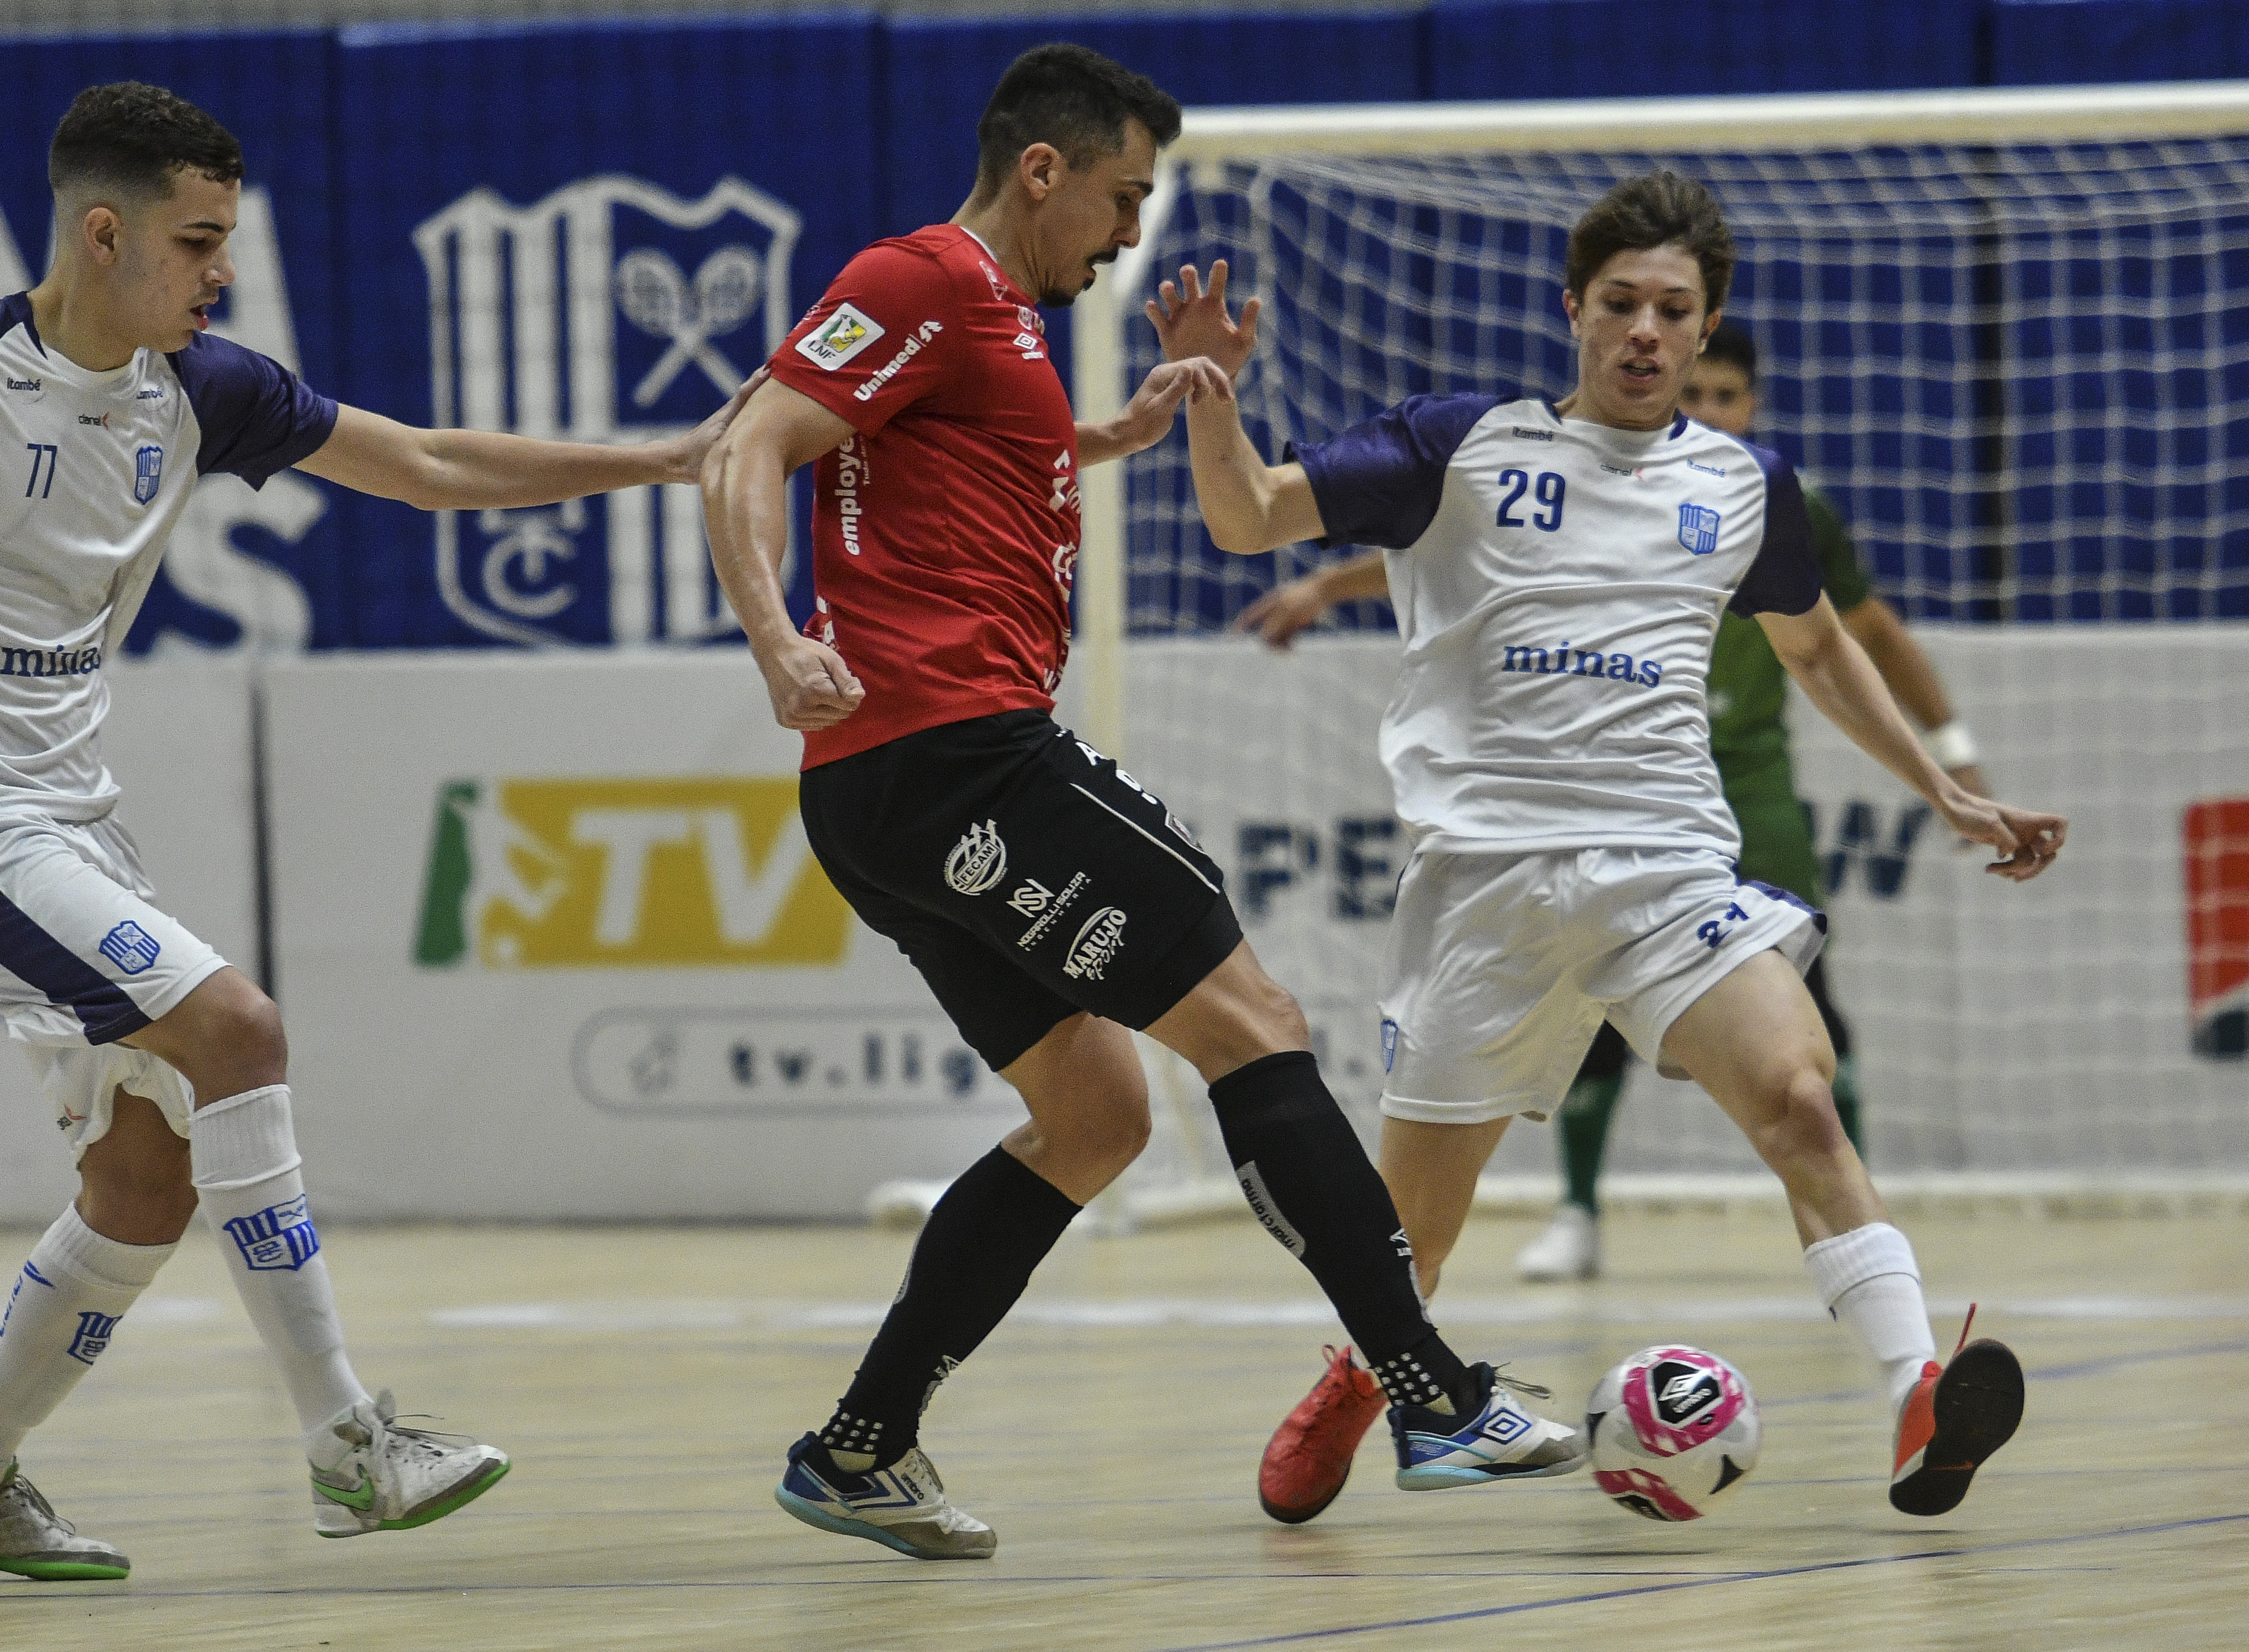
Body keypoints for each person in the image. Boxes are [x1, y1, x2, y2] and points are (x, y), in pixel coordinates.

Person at [0, 83, 755, 1581]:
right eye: (197, 240)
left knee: (149, 1180)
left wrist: (665, 459)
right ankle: (351, 1439)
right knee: (238, 1027)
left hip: (77, 835)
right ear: (103, 235)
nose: (220, 270)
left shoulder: (202, 388)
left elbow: (423, 467)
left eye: (226, 241)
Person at [702, 43, 1584, 1563]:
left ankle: (860, 1443)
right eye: (1120, 197)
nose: (1127, 237)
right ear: (1039, 168)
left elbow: (961, 465)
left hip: (885, 796)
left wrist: (1120, 430)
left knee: (1096, 1115)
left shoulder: (998, 329)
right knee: (1254, 1021)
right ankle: (1431, 1387)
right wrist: (777, 639)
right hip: (957, 752)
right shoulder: (916, 275)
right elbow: (747, 443)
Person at [1150, 170, 2064, 1526]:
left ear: (1706, 334)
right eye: (1622, 303)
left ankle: (1914, 1390)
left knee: (1801, 1100)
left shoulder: (1746, 487)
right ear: (1573, 309)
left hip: (1665, 871)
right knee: (1415, 1243)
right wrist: (1212, 406)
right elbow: (1249, 518)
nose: (1645, 330)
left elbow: (1818, 652)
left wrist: (1947, 790)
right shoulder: (1458, 444)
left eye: (1674, 311)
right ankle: (1361, 1378)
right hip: (1486, 888)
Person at [1236, 319, 1993, 1284]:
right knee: (1568, 1031)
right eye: (1701, 391)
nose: (1710, 407)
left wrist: (1952, 761)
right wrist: (1327, 589)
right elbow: (1459, 528)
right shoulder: (1564, 468)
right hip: (1584, 807)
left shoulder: (1766, 496)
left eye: (1728, 394)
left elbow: (1860, 634)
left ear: (1749, 402)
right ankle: (1575, 1216)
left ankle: (1857, 1238)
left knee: (1807, 1036)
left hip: (1740, 796)